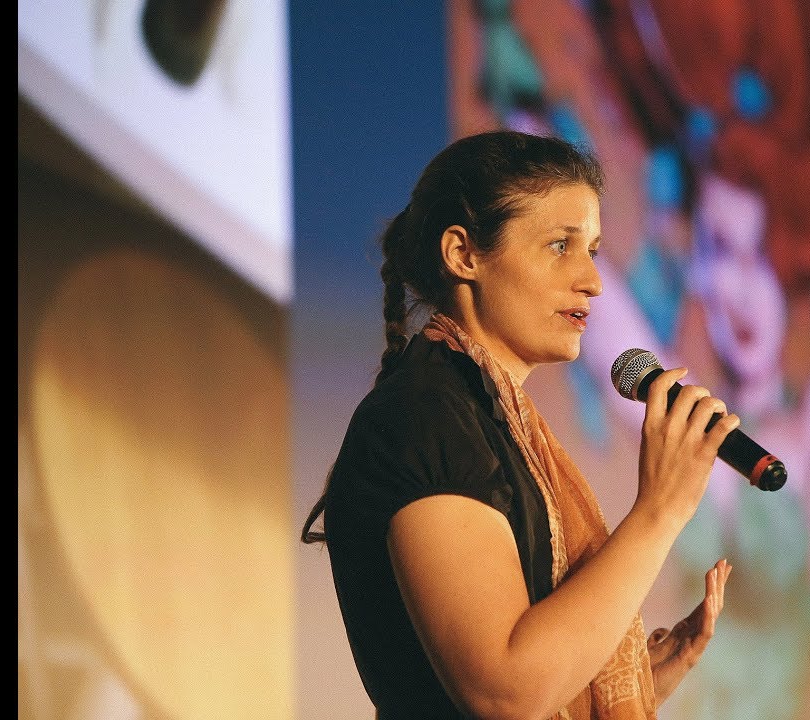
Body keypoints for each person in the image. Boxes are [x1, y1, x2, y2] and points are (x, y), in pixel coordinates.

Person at [301, 130, 740, 719]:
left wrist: (629, 681)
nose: (593, 280)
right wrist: (659, 512)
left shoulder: (499, 423)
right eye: (560, 245)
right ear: (463, 255)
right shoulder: (424, 417)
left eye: (592, 250)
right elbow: (505, 691)